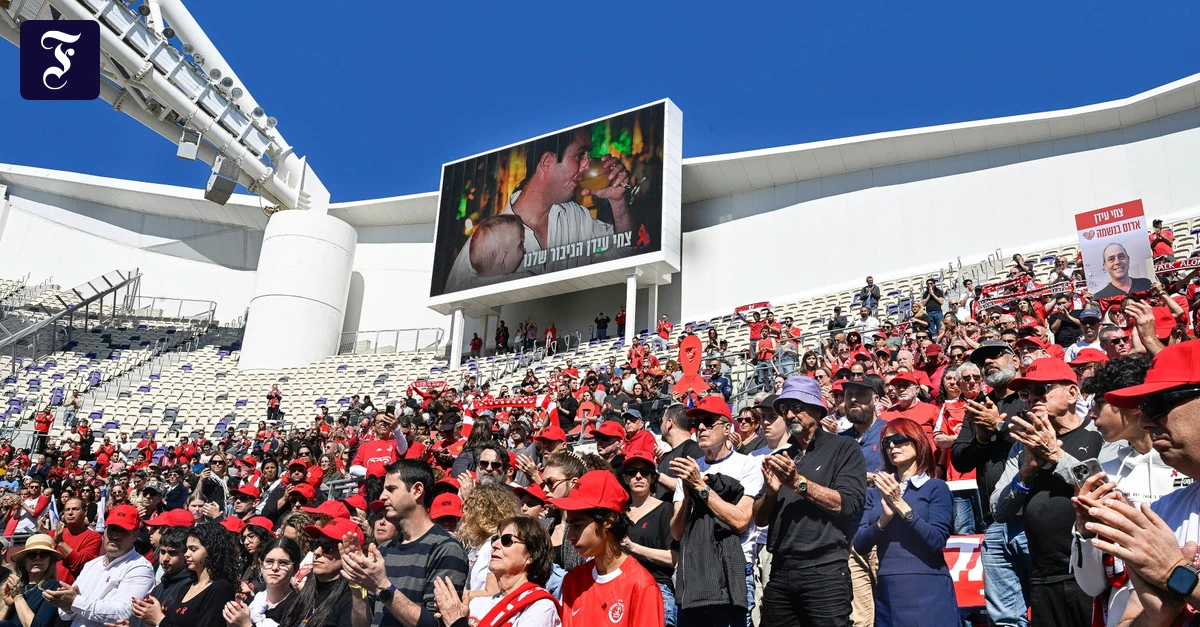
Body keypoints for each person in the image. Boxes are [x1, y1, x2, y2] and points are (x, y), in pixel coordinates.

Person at [1074, 342, 1200, 626]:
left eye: (1157, 405)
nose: (1145, 421)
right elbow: (1123, 612)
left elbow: (1173, 574)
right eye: (1142, 407)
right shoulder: (1163, 511)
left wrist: (1177, 577)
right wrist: (1155, 619)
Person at [443, 128, 635, 290]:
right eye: (579, 155)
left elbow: (626, 257)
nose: (586, 165)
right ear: (546, 162)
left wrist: (618, 203)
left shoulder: (576, 217)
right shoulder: (481, 247)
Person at [991, 358, 1105, 627]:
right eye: (1026, 393)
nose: (1032, 398)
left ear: (1072, 393)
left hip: (1094, 574)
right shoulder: (1022, 446)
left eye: (1042, 389)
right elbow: (998, 509)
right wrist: (1026, 473)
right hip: (1043, 576)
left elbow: (1103, 490)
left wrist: (1054, 455)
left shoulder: (1099, 432)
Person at [950, 339, 1031, 627]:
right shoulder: (978, 407)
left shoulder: (1030, 396)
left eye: (996, 355)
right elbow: (959, 458)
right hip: (994, 521)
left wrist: (999, 424)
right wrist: (982, 437)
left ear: (1016, 360)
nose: (988, 363)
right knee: (1005, 617)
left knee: (1049, 603)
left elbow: (1037, 442)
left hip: (1034, 517)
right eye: (983, 359)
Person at [854, 418, 958, 627]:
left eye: (899, 439)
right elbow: (860, 544)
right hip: (888, 590)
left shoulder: (935, 487)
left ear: (917, 441)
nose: (892, 445)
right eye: (887, 442)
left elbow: (936, 540)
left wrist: (899, 504)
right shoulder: (876, 493)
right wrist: (883, 520)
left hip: (927, 586)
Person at [341, 459, 468, 627]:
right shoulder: (385, 550)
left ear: (417, 490)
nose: (382, 496)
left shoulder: (446, 549)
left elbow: (438, 624)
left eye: (391, 489)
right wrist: (358, 584)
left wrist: (383, 586)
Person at [668, 394, 759, 626]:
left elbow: (740, 522)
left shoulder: (747, 464)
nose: (700, 428)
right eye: (696, 423)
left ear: (727, 428)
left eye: (709, 422)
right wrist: (688, 496)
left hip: (732, 570)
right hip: (694, 570)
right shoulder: (691, 468)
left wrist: (700, 486)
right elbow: (676, 532)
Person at [552, 470, 664, 626]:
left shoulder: (642, 586)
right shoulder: (572, 581)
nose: (570, 535)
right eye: (569, 526)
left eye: (577, 526)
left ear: (608, 521)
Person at [431, 516, 561, 627]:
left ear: (531, 556)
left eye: (506, 540)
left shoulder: (540, 606)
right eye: (495, 539)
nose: (494, 545)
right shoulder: (476, 603)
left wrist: (456, 622)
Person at [45, 504, 154, 627]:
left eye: (123, 530)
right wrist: (66, 604)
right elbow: (68, 615)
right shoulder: (92, 565)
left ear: (135, 534)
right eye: (112, 528)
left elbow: (123, 612)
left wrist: (75, 601)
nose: (115, 535)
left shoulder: (140, 568)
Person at [130, 522, 239, 627]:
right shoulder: (188, 586)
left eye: (193, 549)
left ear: (212, 551)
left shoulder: (220, 588)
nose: (186, 554)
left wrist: (159, 619)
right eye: (187, 549)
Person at [620, 451, 679, 626]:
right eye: (632, 472)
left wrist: (634, 548)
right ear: (625, 478)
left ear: (653, 478)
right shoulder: (619, 512)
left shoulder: (665, 509)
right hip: (623, 589)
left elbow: (674, 558)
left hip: (656, 587)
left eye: (644, 472)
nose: (638, 476)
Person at [223, 538, 302, 627]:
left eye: (283, 563)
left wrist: (246, 625)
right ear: (261, 565)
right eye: (269, 561)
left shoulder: (297, 606)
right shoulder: (250, 603)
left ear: (295, 569)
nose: (274, 567)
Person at [458, 484, 522, 591]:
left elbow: (492, 592)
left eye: (468, 508)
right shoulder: (480, 545)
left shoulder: (496, 544)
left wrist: (457, 597)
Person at [0, 533, 63, 627]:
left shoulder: (54, 588)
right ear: (24, 560)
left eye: (43, 554)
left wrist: (18, 597)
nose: (37, 558)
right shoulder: (18, 586)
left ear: (50, 560)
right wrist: (7, 605)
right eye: (31, 554)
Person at [46, 497, 100, 585]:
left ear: (85, 512)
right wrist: (42, 536)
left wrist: (60, 542)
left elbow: (79, 564)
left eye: (75, 509)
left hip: (73, 592)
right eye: (67, 510)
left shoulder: (94, 537)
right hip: (49, 589)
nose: (70, 513)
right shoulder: (52, 533)